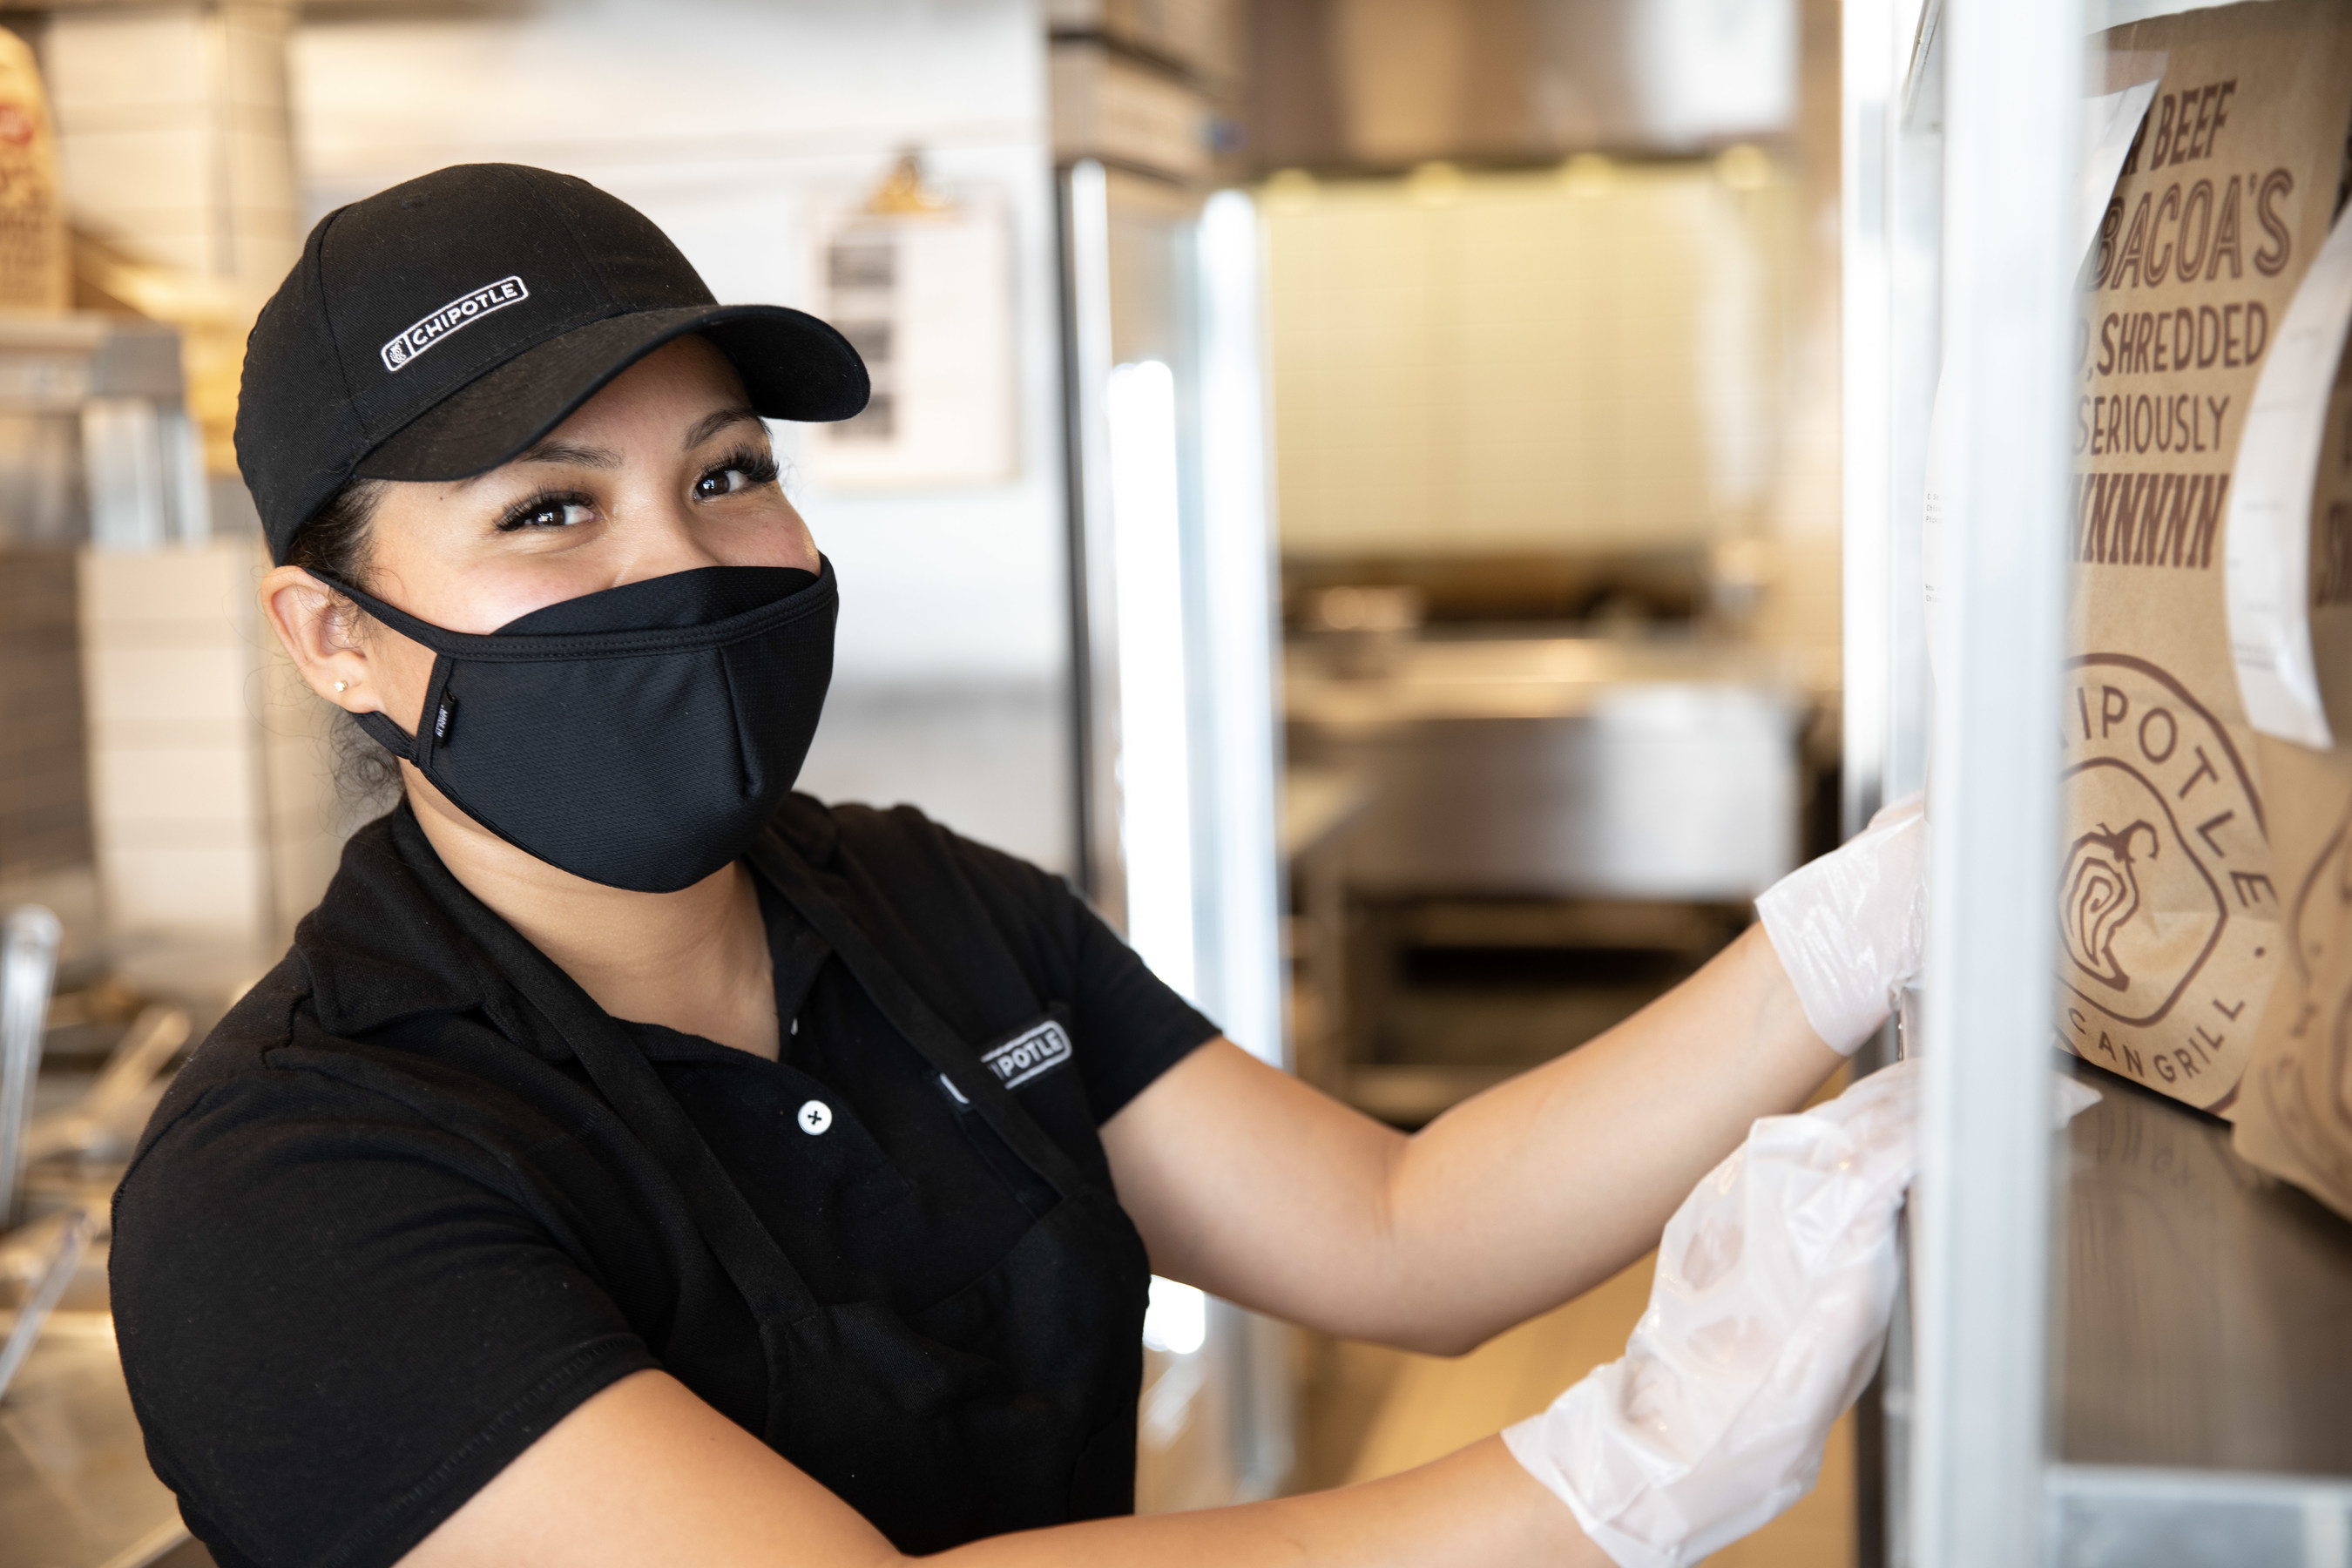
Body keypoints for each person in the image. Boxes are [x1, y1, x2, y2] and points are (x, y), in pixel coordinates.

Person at [110, 164, 1930, 1568]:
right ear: (333, 637)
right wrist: (1598, 1479)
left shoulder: (929, 912)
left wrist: (1849, 938)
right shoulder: (290, 1186)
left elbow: (1407, 1231)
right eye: (551, 510)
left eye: (728, 472)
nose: (680, 566)